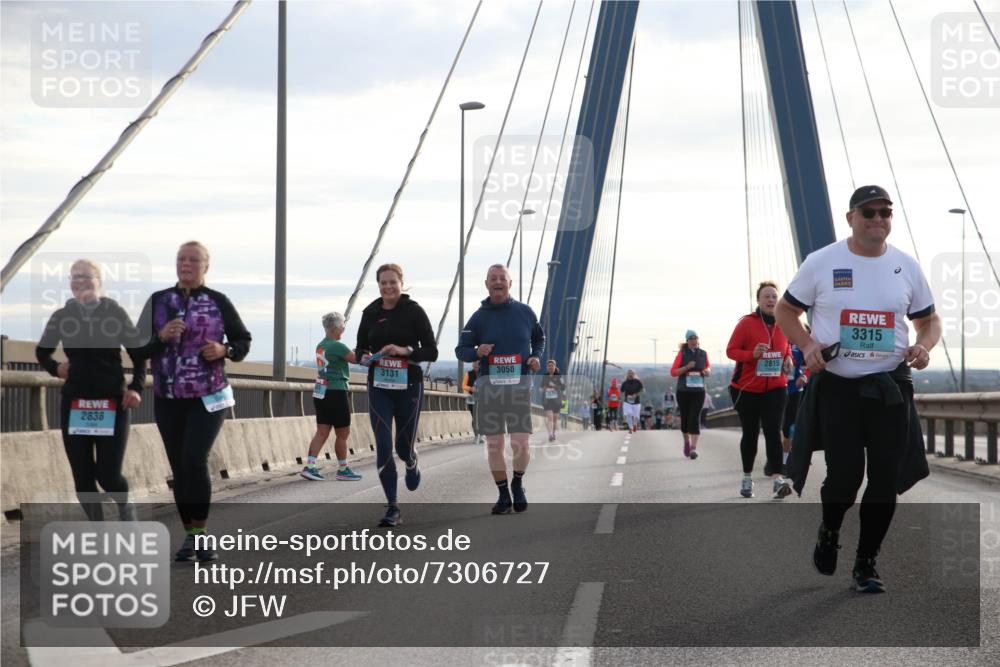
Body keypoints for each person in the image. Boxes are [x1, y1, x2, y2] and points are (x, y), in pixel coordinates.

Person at [776, 185, 940, 593]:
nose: (879, 219)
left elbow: (930, 320)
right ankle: (830, 529)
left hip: (890, 387)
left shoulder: (906, 266)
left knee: (885, 480)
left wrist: (924, 344)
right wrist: (808, 345)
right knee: (845, 478)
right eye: (869, 212)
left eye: (886, 212)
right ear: (851, 217)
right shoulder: (822, 262)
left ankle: (866, 564)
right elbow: (785, 309)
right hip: (840, 388)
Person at [137, 242, 252, 562]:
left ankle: (200, 536)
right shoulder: (159, 301)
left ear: (205, 266)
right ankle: (190, 537)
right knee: (179, 467)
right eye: (181, 259)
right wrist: (159, 338)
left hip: (208, 395)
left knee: (193, 458)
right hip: (168, 397)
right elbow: (135, 349)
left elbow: (243, 341)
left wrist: (224, 350)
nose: (186, 264)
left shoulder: (218, 302)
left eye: (193, 260)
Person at [36, 259, 146, 523]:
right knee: (83, 479)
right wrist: (56, 368)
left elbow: (138, 354)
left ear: (99, 282)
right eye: (74, 277)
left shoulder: (114, 312)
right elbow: (42, 351)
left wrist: (135, 387)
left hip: (112, 402)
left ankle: (125, 504)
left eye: (86, 276)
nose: (80, 282)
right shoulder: (62, 316)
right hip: (75, 404)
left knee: (107, 476)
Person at [456, 264, 544, 515]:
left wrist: (536, 356)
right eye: (493, 279)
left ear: (510, 283)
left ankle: (517, 483)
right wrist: (476, 352)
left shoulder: (525, 312)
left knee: (521, 443)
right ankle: (503, 493)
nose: (498, 282)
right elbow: (460, 349)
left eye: (502, 278)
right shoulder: (478, 317)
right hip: (489, 388)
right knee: (495, 444)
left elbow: (539, 338)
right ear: (486, 284)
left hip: (518, 386)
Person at [355, 263, 438, 528]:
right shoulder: (370, 312)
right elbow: (359, 348)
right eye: (383, 283)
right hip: (379, 386)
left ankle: (411, 461)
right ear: (378, 285)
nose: (388, 287)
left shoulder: (413, 312)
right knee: (382, 445)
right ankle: (393, 507)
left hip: (408, 386)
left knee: (402, 448)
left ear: (402, 283)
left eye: (392, 282)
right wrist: (364, 357)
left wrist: (406, 351)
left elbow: (432, 352)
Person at [726, 281, 793, 500]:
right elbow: (731, 351)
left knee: (773, 431)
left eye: (774, 296)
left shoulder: (784, 323)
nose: (771, 300)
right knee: (751, 433)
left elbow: (787, 348)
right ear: (758, 300)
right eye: (767, 296)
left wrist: (788, 360)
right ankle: (747, 478)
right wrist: (752, 354)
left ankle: (777, 479)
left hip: (776, 386)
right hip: (747, 388)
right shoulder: (746, 324)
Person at [301, 312, 361, 482]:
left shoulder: (321, 345)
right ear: (336, 327)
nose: (344, 327)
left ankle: (310, 466)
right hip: (336, 391)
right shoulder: (337, 346)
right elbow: (356, 359)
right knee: (343, 433)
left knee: (322, 431)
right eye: (343, 324)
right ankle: (343, 469)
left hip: (321, 391)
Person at [670, 331, 710, 460]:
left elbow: (708, 367)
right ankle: (686, 442)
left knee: (695, 418)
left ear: (698, 340)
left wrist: (706, 371)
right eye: (690, 339)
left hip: (698, 391)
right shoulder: (682, 354)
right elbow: (673, 372)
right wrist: (687, 367)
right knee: (686, 419)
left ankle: (693, 448)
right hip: (683, 391)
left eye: (695, 338)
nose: (693, 341)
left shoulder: (703, 353)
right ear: (687, 341)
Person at [782, 324, 811, 471]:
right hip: (778, 390)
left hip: (796, 390)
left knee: (791, 426)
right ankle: (781, 457)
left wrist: (805, 376)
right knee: (782, 426)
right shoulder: (781, 342)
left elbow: (812, 365)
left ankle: (788, 460)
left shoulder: (803, 346)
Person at [540, 360, 565, 442]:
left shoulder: (559, 376)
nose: (550, 367)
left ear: (555, 367)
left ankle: (553, 433)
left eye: (552, 366)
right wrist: (543, 389)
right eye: (549, 366)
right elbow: (541, 387)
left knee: (554, 419)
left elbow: (563, 387)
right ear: (547, 367)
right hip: (548, 400)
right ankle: (550, 434)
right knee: (550, 418)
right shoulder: (545, 376)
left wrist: (555, 387)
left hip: (557, 400)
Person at [463, 368, 485, 444]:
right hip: (472, 399)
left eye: (478, 363)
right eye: (475, 363)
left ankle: (481, 435)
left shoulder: (484, 373)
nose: (476, 365)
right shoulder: (468, 374)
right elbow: (463, 386)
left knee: (481, 417)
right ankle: (476, 435)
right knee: (474, 417)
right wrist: (471, 388)